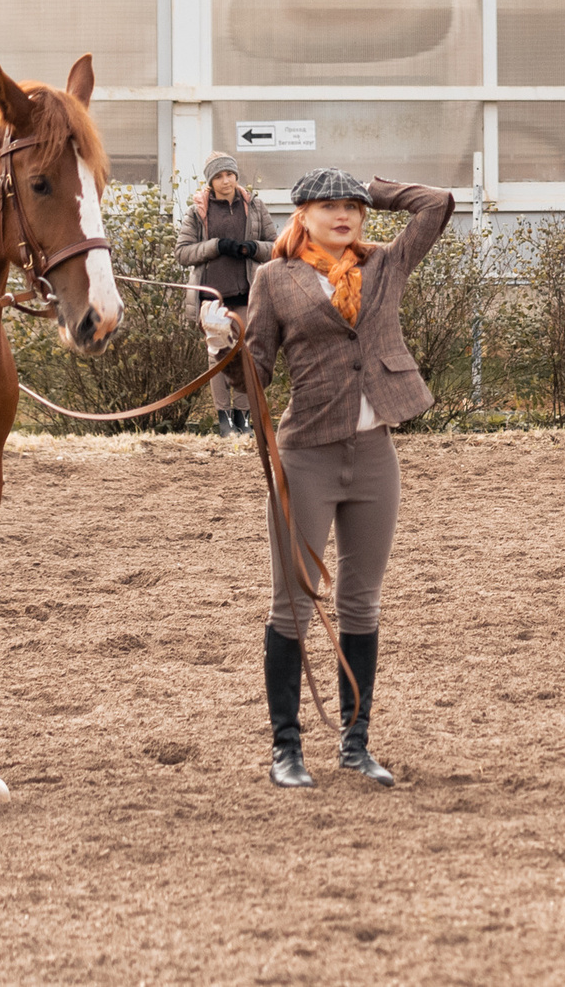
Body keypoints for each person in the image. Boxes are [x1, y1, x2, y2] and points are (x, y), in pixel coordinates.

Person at [230, 167, 453, 791]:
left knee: (361, 603)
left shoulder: (384, 263)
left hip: (375, 455)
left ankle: (356, 745)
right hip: (307, 458)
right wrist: (229, 345)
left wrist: (375, 189)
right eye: (329, 206)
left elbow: (436, 204)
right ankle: (286, 750)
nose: (344, 215)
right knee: (294, 605)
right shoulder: (275, 279)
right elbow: (258, 375)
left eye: (352, 207)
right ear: (301, 215)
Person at [174, 151, 274, 437]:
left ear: (236, 176)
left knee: (247, 356)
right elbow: (182, 253)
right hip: (212, 296)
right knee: (218, 356)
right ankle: (223, 420)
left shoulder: (254, 206)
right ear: (211, 181)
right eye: (219, 176)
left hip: (248, 294)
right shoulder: (198, 212)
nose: (225, 180)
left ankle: (243, 419)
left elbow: (275, 246)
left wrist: (253, 248)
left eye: (229, 174)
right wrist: (216, 246)